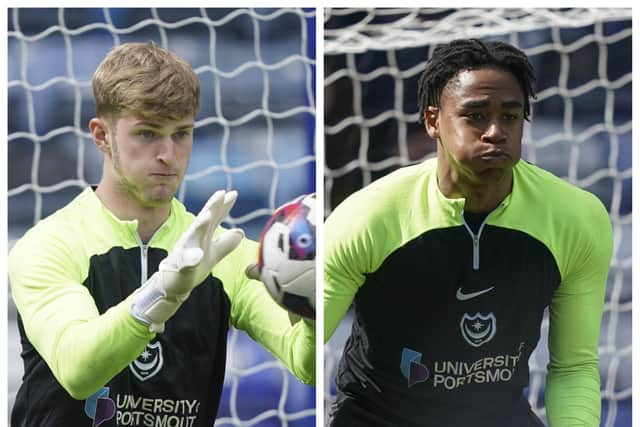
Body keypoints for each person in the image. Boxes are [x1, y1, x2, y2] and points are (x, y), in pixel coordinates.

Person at [8, 42, 315, 427]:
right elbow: (78, 370)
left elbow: (306, 364)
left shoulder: (224, 253)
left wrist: (311, 304)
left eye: (182, 133)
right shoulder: (49, 245)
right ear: (102, 135)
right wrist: (163, 292)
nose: (168, 154)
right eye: (148, 133)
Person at [324, 38, 612, 427]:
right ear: (432, 121)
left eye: (510, 117)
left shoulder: (576, 217)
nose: (495, 131)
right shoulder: (369, 216)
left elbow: (574, 366)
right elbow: (308, 344)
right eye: (475, 115)